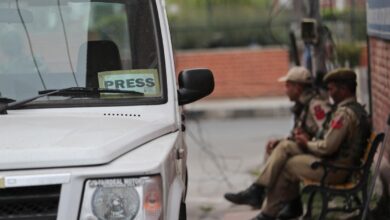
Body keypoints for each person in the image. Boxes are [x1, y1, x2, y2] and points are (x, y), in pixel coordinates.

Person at [249, 68, 371, 220]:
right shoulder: (354, 110)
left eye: (332, 89)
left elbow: (327, 146)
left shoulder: (344, 114)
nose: (330, 94)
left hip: (336, 170)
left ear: (344, 89)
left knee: (288, 165)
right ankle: (265, 198)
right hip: (341, 165)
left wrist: (307, 144)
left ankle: (268, 211)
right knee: (284, 148)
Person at [224, 66, 330, 216]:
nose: (285, 90)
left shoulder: (316, 105)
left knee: (285, 149)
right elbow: (301, 132)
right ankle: (291, 202)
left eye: (287, 85)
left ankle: (258, 191)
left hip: (320, 154)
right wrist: (282, 140)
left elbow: (328, 134)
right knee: (276, 147)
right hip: (310, 148)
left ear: (297, 87)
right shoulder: (302, 105)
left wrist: (307, 141)